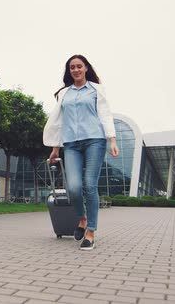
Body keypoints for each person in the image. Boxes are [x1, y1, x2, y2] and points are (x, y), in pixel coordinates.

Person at [43, 54, 118, 251]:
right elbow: (59, 122)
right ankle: (83, 218)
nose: (75, 70)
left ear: (86, 68)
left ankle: (91, 232)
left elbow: (105, 114)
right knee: (74, 188)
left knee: (89, 186)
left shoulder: (95, 90)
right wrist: (55, 148)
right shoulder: (64, 93)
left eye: (79, 66)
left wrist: (112, 139)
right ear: (69, 71)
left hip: (95, 140)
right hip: (71, 144)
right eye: (72, 67)